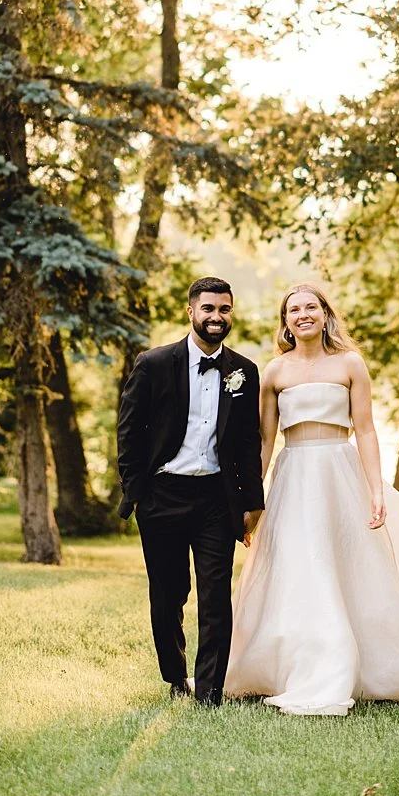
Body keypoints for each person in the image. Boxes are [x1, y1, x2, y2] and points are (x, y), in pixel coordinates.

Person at [224, 282, 399, 715]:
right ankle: (291, 667)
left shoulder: (350, 364)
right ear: (286, 321)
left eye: (310, 307)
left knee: (346, 564)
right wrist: (251, 498)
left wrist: (376, 489)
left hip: (340, 471)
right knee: (297, 566)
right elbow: (265, 439)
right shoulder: (274, 372)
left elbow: (367, 430)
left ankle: (362, 667)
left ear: (325, 314)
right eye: (294, 309)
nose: (303, 315)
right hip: (294, 473)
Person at [115, 276, 266, 707]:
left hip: (216, 500)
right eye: (209, 309)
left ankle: (210, 691)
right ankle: (175, 675)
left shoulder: (243, 371)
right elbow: (129, 432)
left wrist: (252, 501)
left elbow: (246, 444)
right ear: (191, 312)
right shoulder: (154, 363)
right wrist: (137, 490)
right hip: (162, 495)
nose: (216, 317)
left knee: (216, 594)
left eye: (224, 310)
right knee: (168, 594)